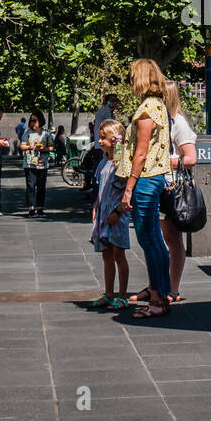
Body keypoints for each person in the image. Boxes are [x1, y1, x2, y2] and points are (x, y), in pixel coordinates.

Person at [120, 58, 172, 319]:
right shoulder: (159, 106)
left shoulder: (146, 110)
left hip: (145, 180)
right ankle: (161, 295)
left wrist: (128, 188)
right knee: (155, 241)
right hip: (156, 178)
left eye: (131, 77)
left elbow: (140, 155)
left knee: (148, 239)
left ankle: (157, 299)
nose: (129, 82)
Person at [158, 80, 198, 303]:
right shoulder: (159, 120)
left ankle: (173, 288)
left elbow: (191, 158)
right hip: (158, 185)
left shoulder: (178, 122)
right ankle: (158, 285)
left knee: (172, 239)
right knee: (157, 237)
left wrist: (163, 162)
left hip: (172, 187)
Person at [89, 119, 130, 310]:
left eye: (102, 138)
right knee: (106, 255)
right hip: (104, 214)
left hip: (116, 215)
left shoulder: (122, 164)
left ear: (113, 140)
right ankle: (108, 293)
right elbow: (101, 189)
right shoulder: (105, 163)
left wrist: (116, 211)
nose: (100, 141)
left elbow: (125, 192)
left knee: (118, 254)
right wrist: (96, 207)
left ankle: (122, 296)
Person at [20, 110, 51, 216]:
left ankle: (40, 208)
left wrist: (44, 148)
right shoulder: (27, 132)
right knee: (30, 186)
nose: (33, 123)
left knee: (41, 186)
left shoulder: (46, 133)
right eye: (31, 120)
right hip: (29, 163)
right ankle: (31, 208)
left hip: (42, 163)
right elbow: (22, 146)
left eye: (35, 120)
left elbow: (51, 147)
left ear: (40, 121)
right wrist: (29, 147)